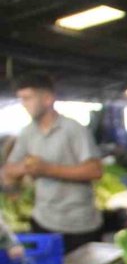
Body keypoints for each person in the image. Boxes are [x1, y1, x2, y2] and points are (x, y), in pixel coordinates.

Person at [1, 72, 103, 253]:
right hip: (44, 220)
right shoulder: (27, 133)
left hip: (79, 223)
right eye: (21, 99)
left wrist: (46, 169)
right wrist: (23, 169)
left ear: (47, 99)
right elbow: (9, 169)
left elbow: (95, 170)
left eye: (28, 98)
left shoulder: (73, 129)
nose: (24, 104)